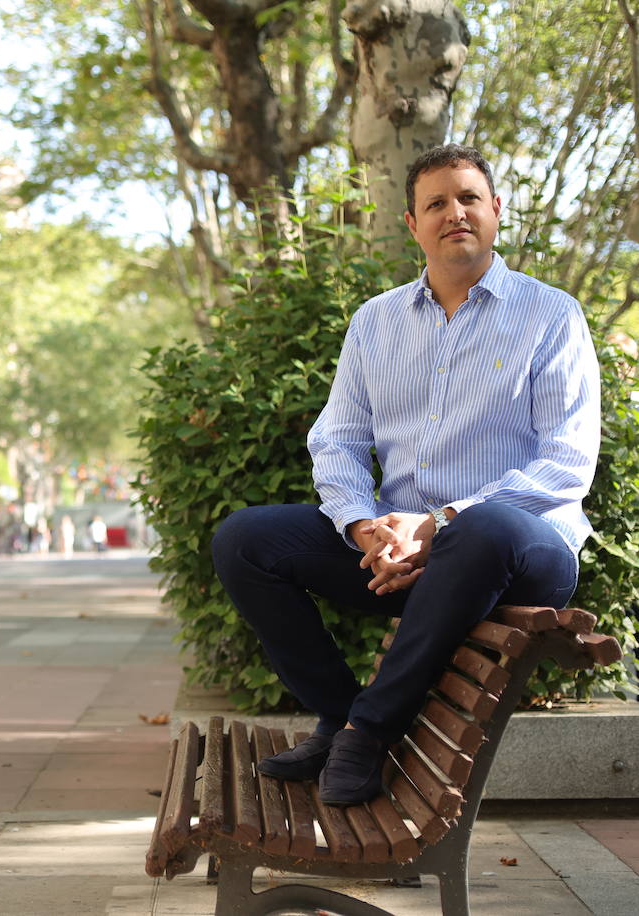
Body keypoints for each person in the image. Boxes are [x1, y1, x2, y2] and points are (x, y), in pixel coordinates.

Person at [210, 144, 600, 806]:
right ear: (411, 223)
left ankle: (368, 732)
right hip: (406, 558)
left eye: (470, 198)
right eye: (437, 203)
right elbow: (336, 439)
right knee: (245, 539)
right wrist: (364, 527)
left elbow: (565, 462)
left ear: (496, 211)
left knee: (485, 526)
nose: (456, 212)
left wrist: (439, 523)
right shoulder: (375, 322)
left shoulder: (550, 315)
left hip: (523, 551)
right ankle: (338, 715)